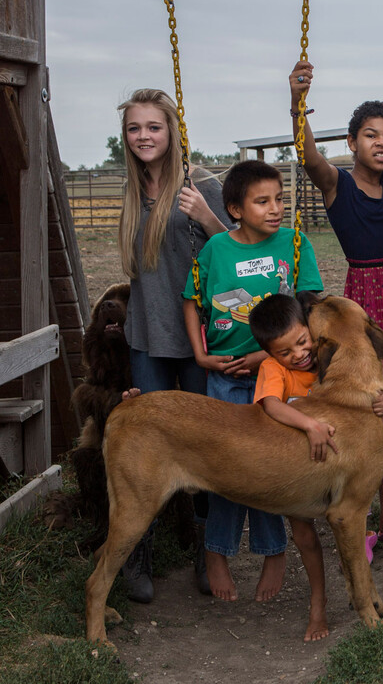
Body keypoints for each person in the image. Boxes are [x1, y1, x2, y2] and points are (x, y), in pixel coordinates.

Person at [288, 62, 383, 551]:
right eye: (371, 135)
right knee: (366, 409)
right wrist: (298, 105)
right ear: (352, 143)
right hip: (367, 302)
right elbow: (309, 158)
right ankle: (361, 521)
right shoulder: (338, 185)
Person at [182, 160, 323, 602]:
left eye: (280, 199)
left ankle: (273, 551)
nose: (276, 208)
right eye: (262, 201)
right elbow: (191, 300)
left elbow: (308, 308)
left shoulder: (294, 244)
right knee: (226, 469)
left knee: (269, 470)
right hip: (224, 373)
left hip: (277, 371)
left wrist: (265, 355)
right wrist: (201, 355)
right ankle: (216, 552)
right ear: (235, 209)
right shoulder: (216, 250)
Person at [116, 88, 233, 602]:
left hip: (198, 337)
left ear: (172, 132)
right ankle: (134, 552)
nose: (144, 136)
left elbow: (240, 248)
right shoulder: (128, 188)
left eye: (153, 127)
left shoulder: (200, 183)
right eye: (135, 129)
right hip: (147, 336)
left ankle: (209, 555)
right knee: (145, 447)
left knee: (205, 447)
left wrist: (207, 218)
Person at [247, 293, 345, 642]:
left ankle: (357, 583)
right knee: (304, 537)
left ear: (309, 329)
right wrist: (309, 424)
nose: (299, 355)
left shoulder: (329, 356)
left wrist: (378, 401)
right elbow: (271, 406)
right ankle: (317, 606)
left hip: (339, 467)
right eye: (285, 352)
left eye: (302, 342)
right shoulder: (273, 370)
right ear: (271, 354)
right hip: (300, 473)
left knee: (347, 526)